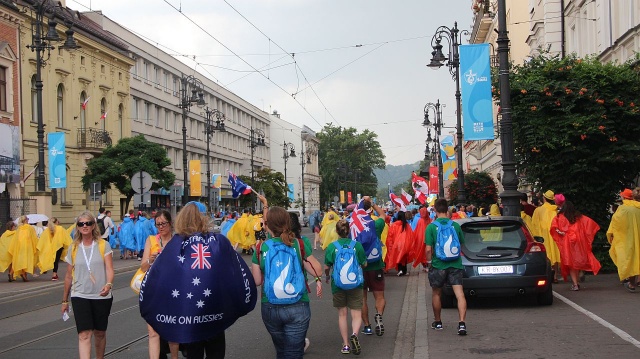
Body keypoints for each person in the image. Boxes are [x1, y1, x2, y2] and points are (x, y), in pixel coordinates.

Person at [251, 198, 323, 359]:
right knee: (294, 352)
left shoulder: (261, 248)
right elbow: (317, 270)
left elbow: (256, 281)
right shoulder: (299, 244)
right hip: (298, 304)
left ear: (267, 225)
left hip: (270, 306)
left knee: (281, 350)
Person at [61, 211, 114, 359]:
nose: (85, 226)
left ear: (93, 226)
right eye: (81, 224)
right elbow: (67, 276)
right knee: (84, 334)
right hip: (79, 295)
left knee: (99, 333)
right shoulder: (73, 248)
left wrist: (109, 284)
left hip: (101, 295)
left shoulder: (104, 245)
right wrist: (64, 300)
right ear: (77, 227)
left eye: (88, 223)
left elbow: (109, 269)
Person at [139, 210, 180, 359]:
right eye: (158, 224)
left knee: (171, 330)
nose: (161, 227)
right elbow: (143, 267)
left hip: (173, 291)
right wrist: (150, 259)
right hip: (154, 291)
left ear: (170, 224)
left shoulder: (178, 241)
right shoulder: (151, 240)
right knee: (153, 331)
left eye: (164, 224)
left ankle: (174, 357)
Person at [324, 219, 367, 355]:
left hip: (338, 285)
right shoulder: (357, 245)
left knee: (342, 314)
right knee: (356, 313)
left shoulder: (332, 247)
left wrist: (327, 275)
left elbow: (327, 266)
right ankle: (354, 334)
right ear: (349, 231)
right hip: (355, 284)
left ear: (337, 231)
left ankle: (346, 345)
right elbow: (364, 263)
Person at [425, 198, 467, 335]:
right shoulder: (455, 226)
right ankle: (461, 323)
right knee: (459, 294)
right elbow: (461, 243)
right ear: (447, 209)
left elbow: (427, 249)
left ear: (435, 210)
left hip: (438, 264)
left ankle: (438, 322)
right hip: (455, 263)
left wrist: (429, 262)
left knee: (437, 293)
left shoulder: (431, 227)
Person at [550, 198, 601, 291]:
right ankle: (578, 276)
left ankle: (575, 284)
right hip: (578, 242)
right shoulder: (578, 217)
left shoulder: (560, 217)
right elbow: (589, 224)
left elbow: (555, 228)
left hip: (567, 243)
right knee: (578, 260)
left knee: (571, 263)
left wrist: (561, 232)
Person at [357, 196, 387, 337]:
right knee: (379, 296)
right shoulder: (376, 225)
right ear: (370, 211)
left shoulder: (354, 226)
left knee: (362, 298)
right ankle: (379, 315)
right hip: (376, 265)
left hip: (360, 267)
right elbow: (383, 215)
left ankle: (367, 326)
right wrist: (373, 204)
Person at [606, 188, 640, 292]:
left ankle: (632, 284)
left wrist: (611, 234)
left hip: (627, 238)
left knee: (630, 259)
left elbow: (616, 223)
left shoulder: (623, 209)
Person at [531, 190, 561, 282]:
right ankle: (555, 275)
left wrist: (535, 236)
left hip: (542, 235)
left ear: (544, 198)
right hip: (554, 234)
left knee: (546, 253)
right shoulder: (556, 210)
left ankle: (548, 274)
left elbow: (534, 224)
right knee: (555, 253)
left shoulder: (538, 210)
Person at [8, 216, 38, 282]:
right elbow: (34, 237)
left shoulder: (19, 228)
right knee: (26, 261)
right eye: (27, 219)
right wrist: (36, 245)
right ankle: (24, 274)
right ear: (25, 220)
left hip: (19, 247)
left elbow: (15, 239)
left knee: (18, 261)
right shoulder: (30, 228)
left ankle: (11, 273)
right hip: (28, 247)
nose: (28, 220)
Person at [385, 210, 414, 276]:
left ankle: (400, 269)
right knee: (404, 257)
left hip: (397, 244)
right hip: (405, 244)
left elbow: (390, 235)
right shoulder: (406, 224)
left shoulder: (394, 225)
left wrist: (390, 245)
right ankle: (404, 270)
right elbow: (410, 235)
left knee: (398, 256)